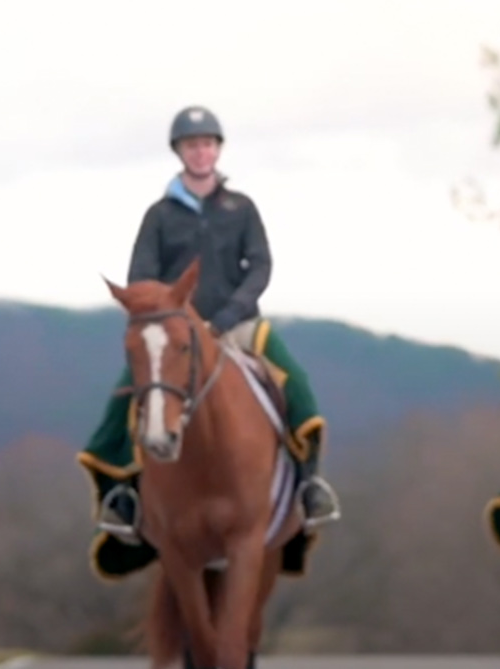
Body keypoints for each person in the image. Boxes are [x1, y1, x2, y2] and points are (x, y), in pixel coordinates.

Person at [77, 106, 339, 572]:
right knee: (128, 396)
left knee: (297, 386)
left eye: (208, 143)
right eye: (192, 144)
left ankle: (308, 486)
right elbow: (141, 276)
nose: (201, 151)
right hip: (173, 332)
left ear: (217, 150)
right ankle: (121, 495)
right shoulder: (159, 215)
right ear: (179, 151)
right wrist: (168, 318)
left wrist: (230, 314)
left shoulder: (242, 208)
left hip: (235, 324)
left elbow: (259, 266)